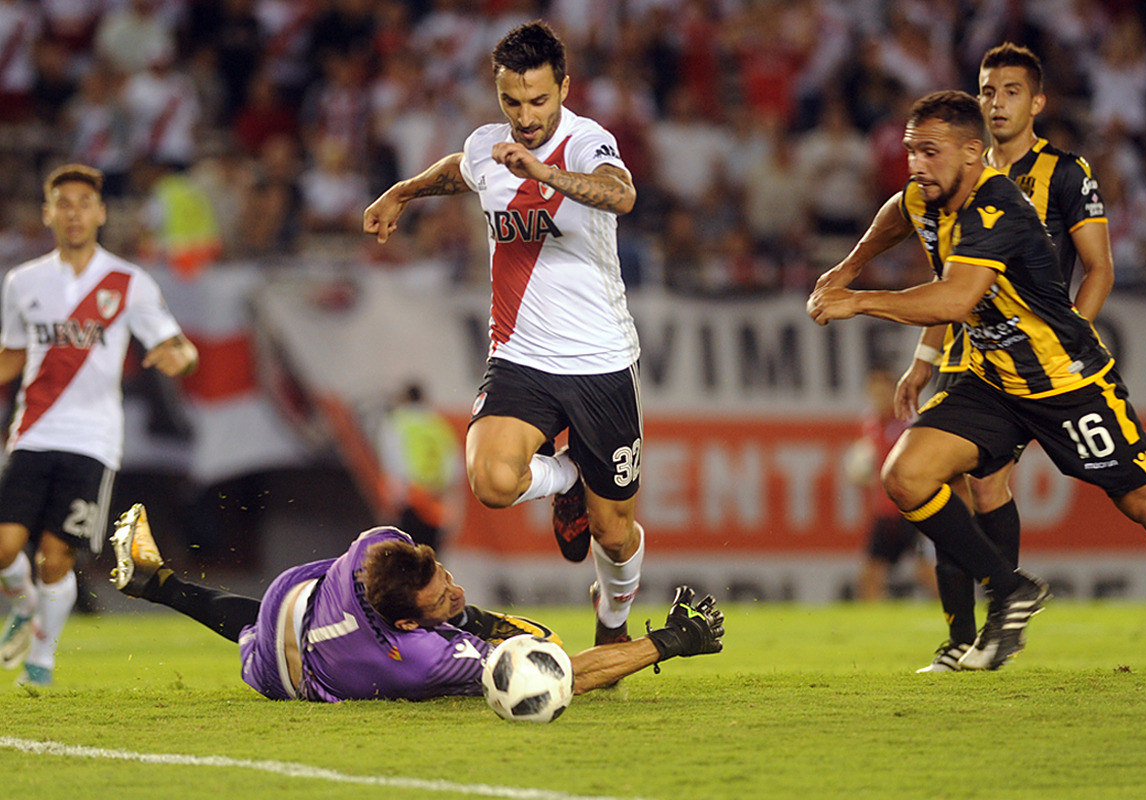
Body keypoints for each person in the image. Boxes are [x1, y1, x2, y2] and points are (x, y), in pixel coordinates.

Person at [807, 90, 1146, 689]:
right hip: (996, 384)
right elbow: (896, 214)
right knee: (905, 474)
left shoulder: (995, 209)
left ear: (973, 152)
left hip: (1069, 386)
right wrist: (846, 265)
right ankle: (1009, 591)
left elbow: (955, 299)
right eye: (911, 152)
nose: (916, 166)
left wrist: (858, 299)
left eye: (930, 152)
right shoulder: (927, 198)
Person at [363, 21, 645, 647]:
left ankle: (613, 624)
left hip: (601, 361)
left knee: (615, 531)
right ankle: (568, 482)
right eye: (512, 102)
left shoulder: (586, 143)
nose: (525, 116)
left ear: (564, 88)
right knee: (491, 481)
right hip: (521, 355)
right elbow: (460, 171)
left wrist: (543, 172)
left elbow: (620, 196)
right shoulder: (490, 145)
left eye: (539, 100)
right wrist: (403, 193)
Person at [898, 43, 1116, 672]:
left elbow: (1099, 267)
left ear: (1037, 102)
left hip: (1033, 356)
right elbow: (946, 276)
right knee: (941, 478)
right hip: (965, 348)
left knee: (984, 482)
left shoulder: (1067, 174)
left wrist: (1067, 339)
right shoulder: (953, 170)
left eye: (1011, 91)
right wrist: (921, 357)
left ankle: (996, 622)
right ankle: (964, 637)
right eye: (988, 90)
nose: (997, 102)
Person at [109, 503, 723, 701]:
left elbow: (410, 571)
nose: (455, 591)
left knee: (261, 619)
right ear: (407, 623)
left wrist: (465, 614)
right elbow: (556, 674)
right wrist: (667, 641)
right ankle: (157, 583)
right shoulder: (420, 658)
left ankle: (156, 583)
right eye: (443, 602)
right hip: (281, 673)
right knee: (542, 653)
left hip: (288, 597)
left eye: (447, 578)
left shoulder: (384, 544)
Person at [0, 163, 199, 687]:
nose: (74, 213)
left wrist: (185, 357)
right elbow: (12, 356)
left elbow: (174, 343)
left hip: (93, 439)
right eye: (63, 203)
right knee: (4, 546)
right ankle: (22, 608)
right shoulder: (23, 282)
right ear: (47, 213)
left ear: (101, 213)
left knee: (54, 556)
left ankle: (41, 658)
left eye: (84, 203)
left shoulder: (128, 283)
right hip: (34, 430)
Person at [847, 366, 936, 602]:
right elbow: (865, 467)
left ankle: (959, 618)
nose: (879, 397)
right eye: (874, 392)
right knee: (870, 575)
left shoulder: (910, 420)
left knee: (927, 571)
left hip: (913, 508)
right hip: (885, 511)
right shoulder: (869, 423)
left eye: (884, 391)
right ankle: (871, 629)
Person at [376, 381, 463, 552]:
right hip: (435, 501)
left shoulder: (397, 421)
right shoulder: (438, 424)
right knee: (428, 559)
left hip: (410, 498)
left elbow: (391, 459)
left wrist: (393, 498)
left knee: (404, 557)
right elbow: (454, 466)